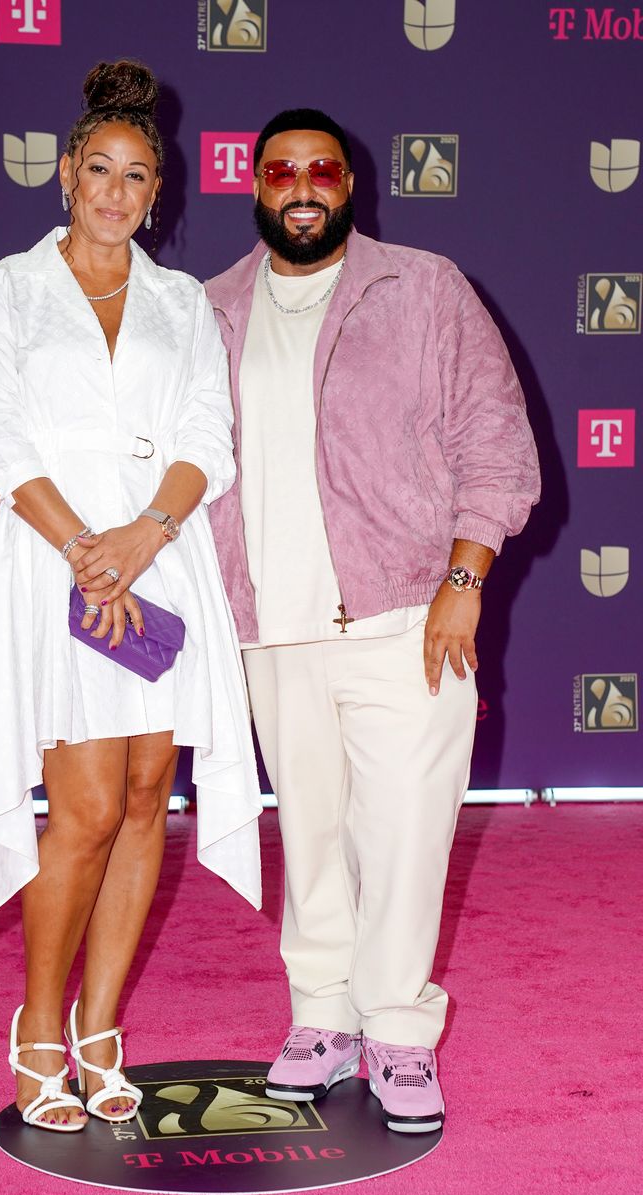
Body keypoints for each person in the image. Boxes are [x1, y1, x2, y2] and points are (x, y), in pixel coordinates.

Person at [204, 109, 541, 1133]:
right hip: (269, 627)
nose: (299, 185)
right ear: (253, 185)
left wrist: (463, 576)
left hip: (404, 614)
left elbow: (494, 440)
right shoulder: (210, 308)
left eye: (319, 170)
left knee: (401, 835)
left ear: (349, 184)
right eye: (278, 171)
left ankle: (395, 1029)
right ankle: (320, 1018)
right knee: (307, 837)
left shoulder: (424, 287)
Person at [0, 60, 261, 1133]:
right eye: (99, 171)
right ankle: (38, 1030)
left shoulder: (182, 303)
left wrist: (142, 536)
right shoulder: (8, 288)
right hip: (48, 562)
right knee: (79, 808)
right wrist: (86, 545)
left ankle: (102, 1026)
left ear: (156, 191)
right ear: (66, 178)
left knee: (140, 803)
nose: (116, 193)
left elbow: (204, 443)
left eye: (138, 177)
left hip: (157, 559)